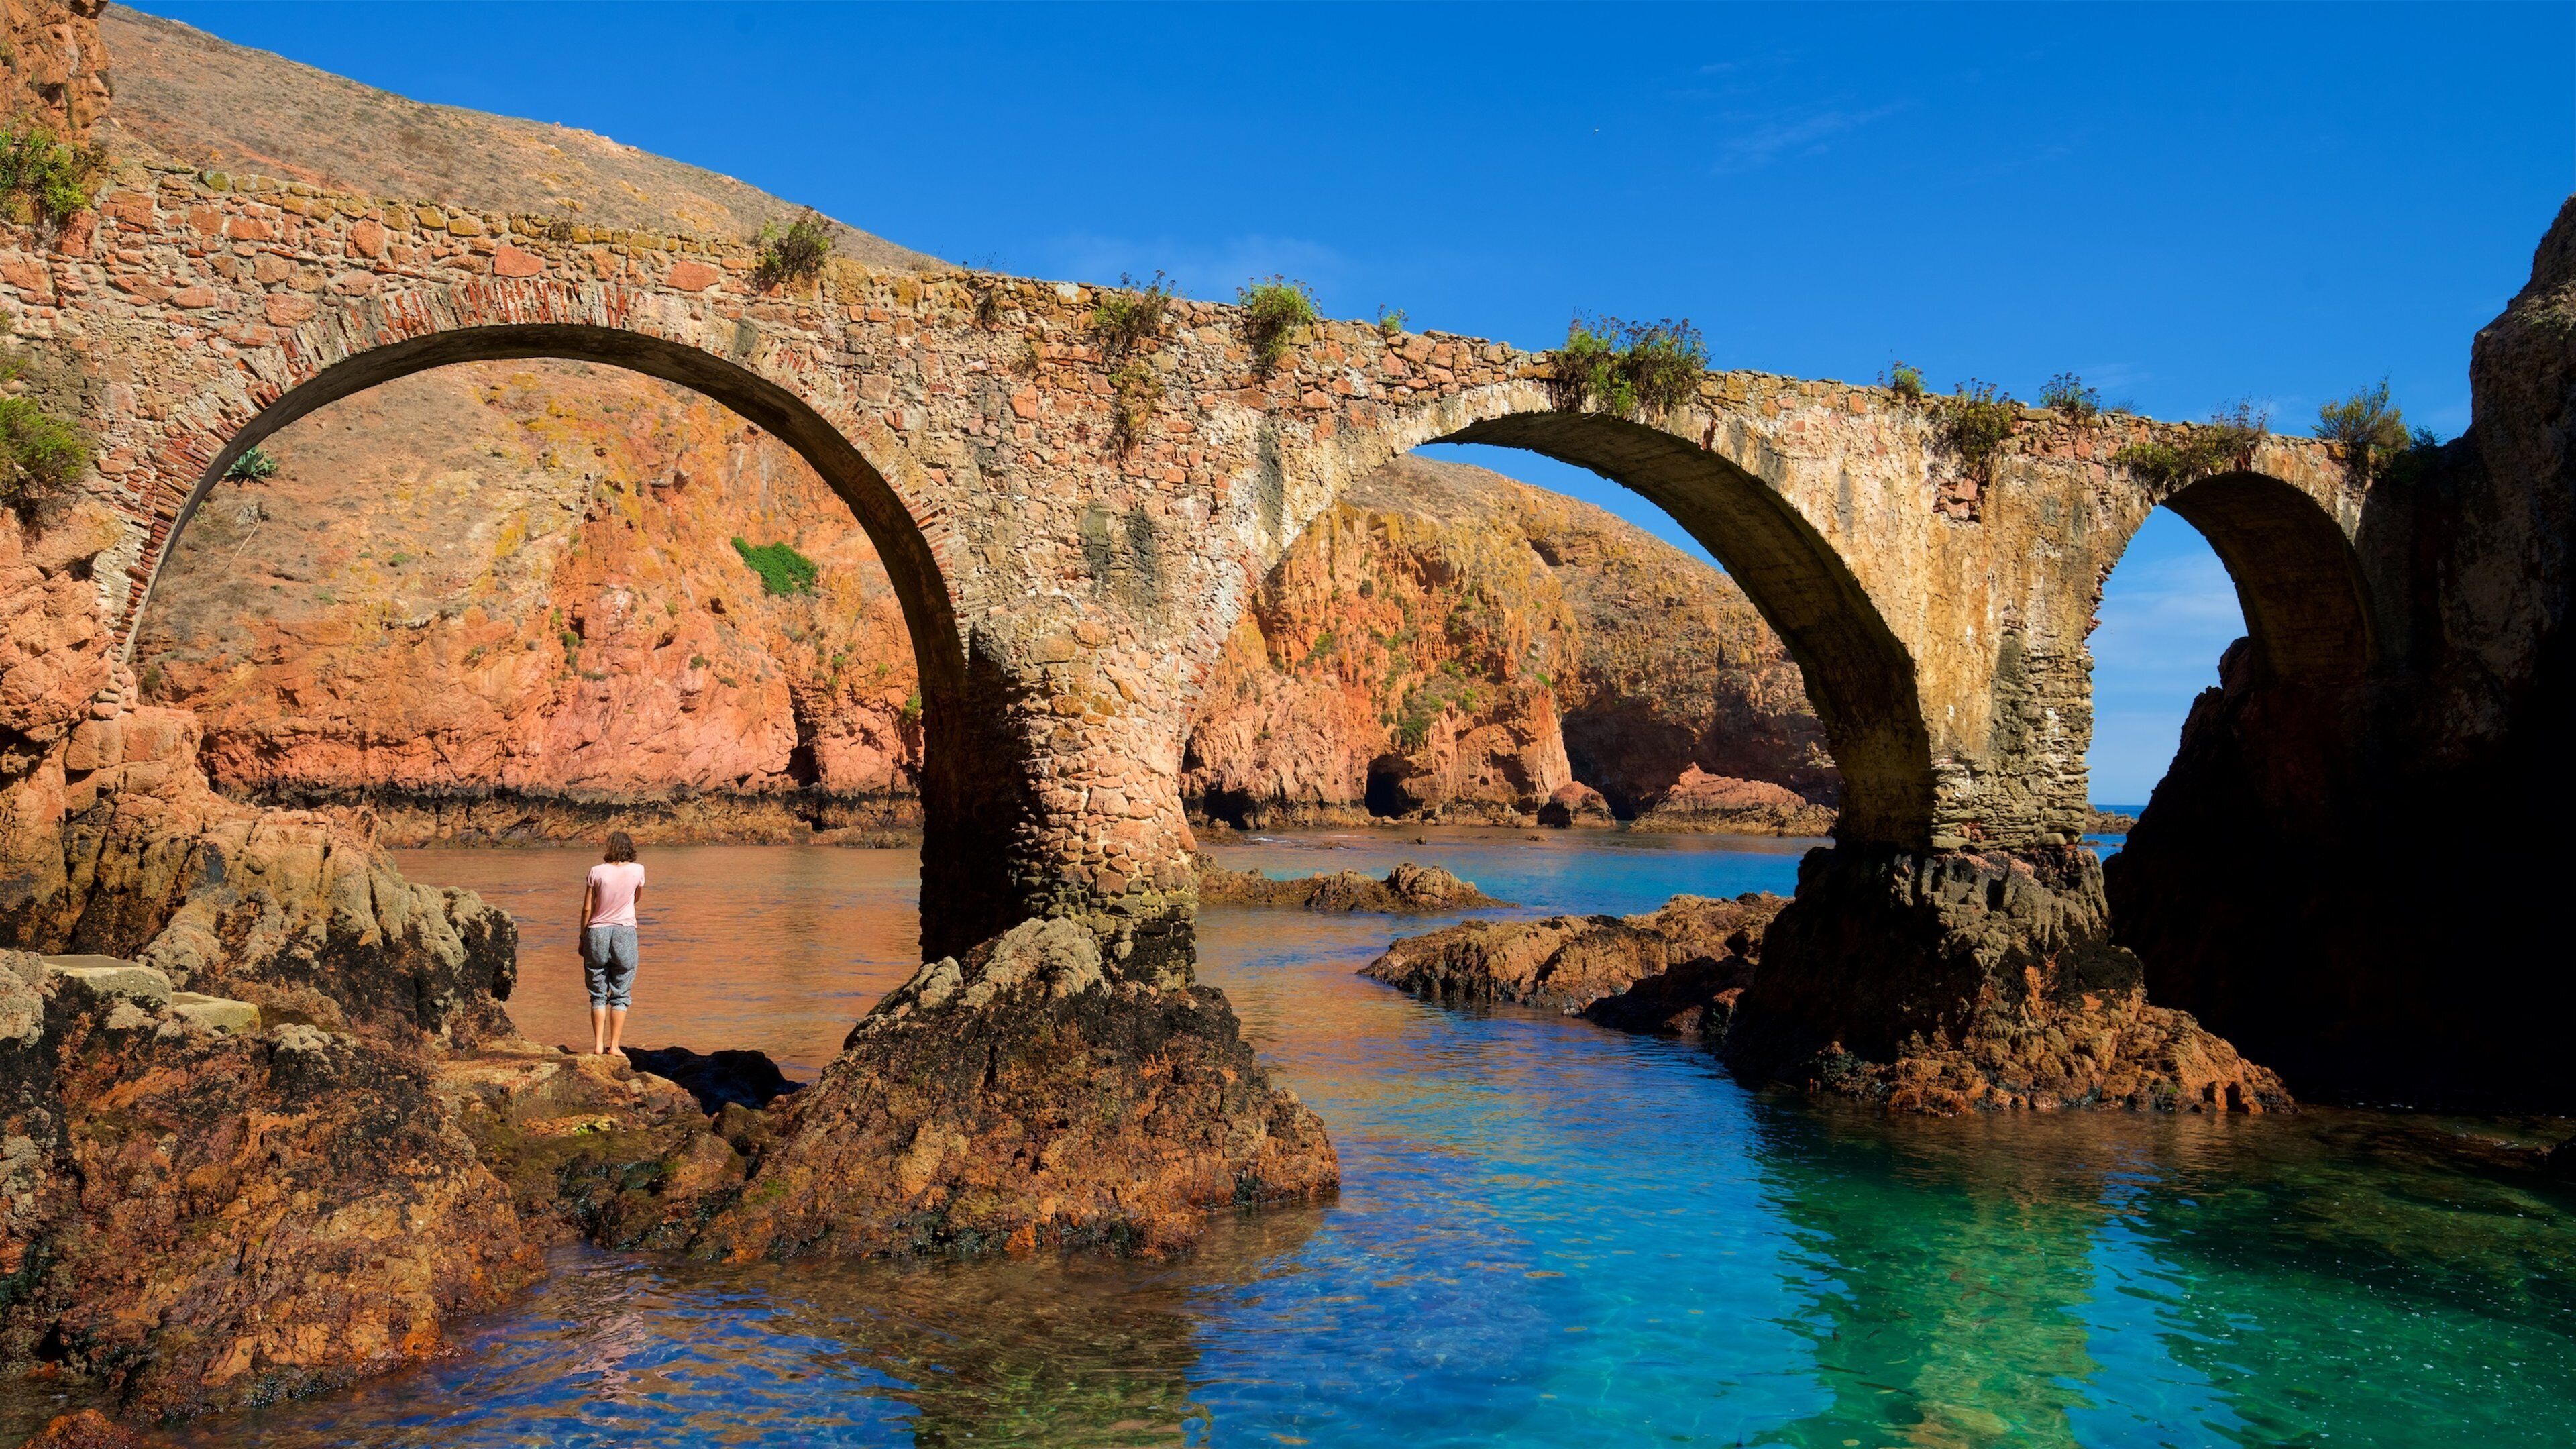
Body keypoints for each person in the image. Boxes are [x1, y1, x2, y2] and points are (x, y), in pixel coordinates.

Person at [578, 831, 645, 1057]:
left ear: (609, 848)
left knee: (597, 992)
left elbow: (588, 908)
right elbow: (636, 897)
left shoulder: (596, 871)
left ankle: (598, 1045)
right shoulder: (638, 870)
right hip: (625, 932)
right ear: (630, 848)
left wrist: (582, 938)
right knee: (621, 991)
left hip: (597, 932)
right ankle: (614, 1046)